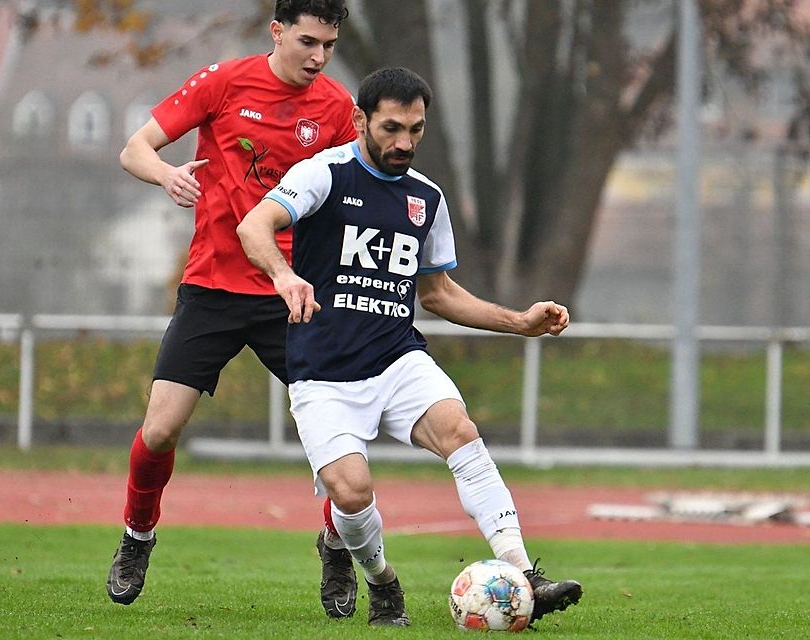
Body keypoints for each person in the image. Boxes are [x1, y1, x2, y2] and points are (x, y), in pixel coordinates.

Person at [236, 66, 584, 627]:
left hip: (397, 358)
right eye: (392, 128)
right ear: (360, 120)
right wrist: (283, 274)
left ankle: (524, 574)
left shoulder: (427, 197)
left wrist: (518, 321)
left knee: (461, 433)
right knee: (350, 493)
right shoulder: (324, 174)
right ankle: (381, 580)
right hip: (323, 372)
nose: (404, 143)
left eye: (415, 130)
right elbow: (254, 226)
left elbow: (439, 293)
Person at [107, 0, 361, 614]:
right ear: (277, 31)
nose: (318, 58)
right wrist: (166, 175)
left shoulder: (334, 108)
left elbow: (360, 188)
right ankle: (137, 536)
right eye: (307, 42)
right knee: (161, 427)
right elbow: (134, 148)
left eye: (328, 46)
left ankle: (336, 547)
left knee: (340, 442)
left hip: (292, 292)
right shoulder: (223, 82)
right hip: (213, 289)